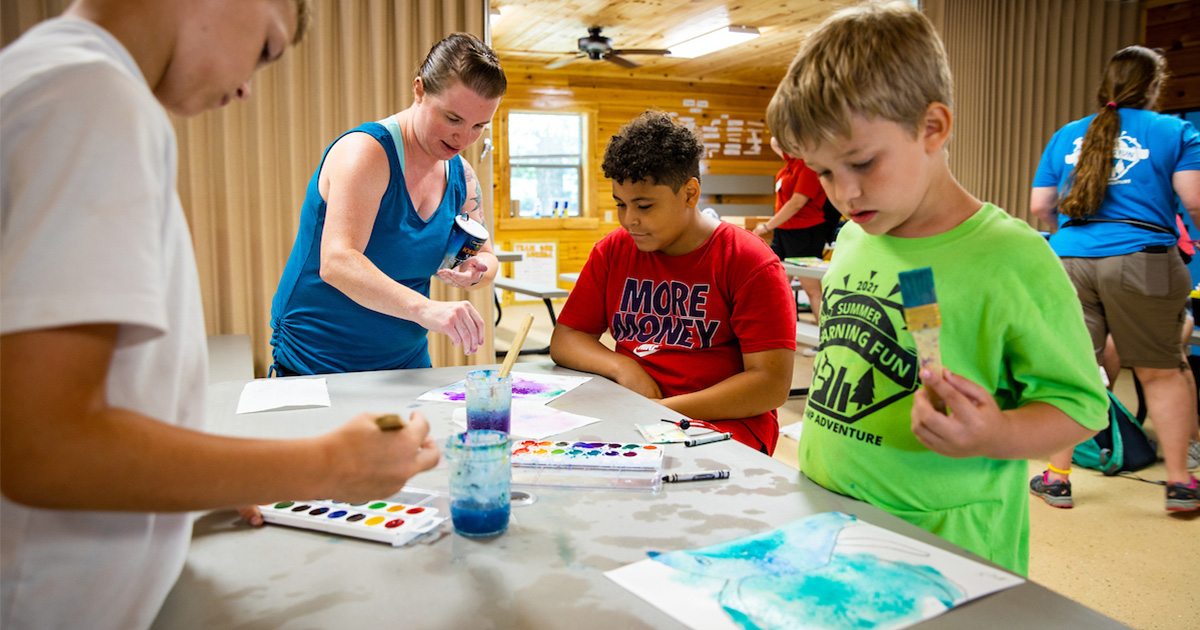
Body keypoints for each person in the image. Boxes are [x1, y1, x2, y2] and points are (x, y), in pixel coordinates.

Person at [0, 2, 439, 628]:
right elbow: (44, 444)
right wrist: (326, 467)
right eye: (264, 47)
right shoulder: (90, 98)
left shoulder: (49, 77)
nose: (245, 86)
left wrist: (218, 479)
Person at [766, 1, 1108, 576]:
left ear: (932, 127)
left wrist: (996, 432)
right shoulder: (852, 238)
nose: (843, 194)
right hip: (828, 520)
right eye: (824, 172)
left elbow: (1081, 406)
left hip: (941, 547)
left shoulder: (1012, 257)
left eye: (863, 162)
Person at [549, 111, 797, 455]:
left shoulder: (748, 260)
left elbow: (769, 386)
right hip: (635, 412)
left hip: (722, 424)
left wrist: (663, 411)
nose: (629, 220)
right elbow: (567, 338)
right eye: (621, 204)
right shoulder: (613, 250)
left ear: (690, 193)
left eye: (645, 205)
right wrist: (624, 366)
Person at [270, 33, 504, 375]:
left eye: (479, 126)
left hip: (404, 360)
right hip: (316, 357)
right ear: (420, 91)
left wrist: (476, 273)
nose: (464, 138)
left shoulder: (462, 175)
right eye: (453, 119)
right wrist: (427, 310)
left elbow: (486, 257)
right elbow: (337, 261)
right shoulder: (366, 153)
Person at [1029, 45, 1200, 512]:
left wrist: (1075, 237)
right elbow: (1195, 200)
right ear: (1154, 87)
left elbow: (1040, 207)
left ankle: (1057, 478)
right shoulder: (1175, 131)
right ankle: (1181, 486)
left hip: (1068, 262)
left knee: (1076, 369)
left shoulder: (1067, 135)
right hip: (1142, 259)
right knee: (1163, 372)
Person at [754, 137, 829, 343]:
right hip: (783, 231)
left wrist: (767, 226)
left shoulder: (807, 166)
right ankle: (776, 337)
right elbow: (774, 141)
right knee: (776, 284)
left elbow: (797, 202)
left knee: (811, 288)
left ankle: (826, 341)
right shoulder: (790, 165)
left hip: (804, 231)